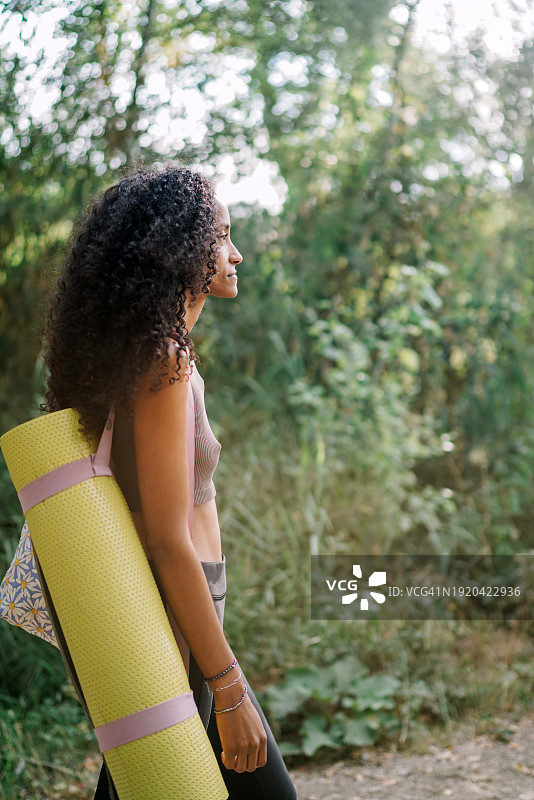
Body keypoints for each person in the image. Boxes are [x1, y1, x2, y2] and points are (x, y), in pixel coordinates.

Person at [41, 165, 297, 800]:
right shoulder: (165, 360)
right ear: (181, 249)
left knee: (143, 786)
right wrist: (229, 683)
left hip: (167, 611)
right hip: (173, 610)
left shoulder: (141, 353)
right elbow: (167, 535)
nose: (236, 255)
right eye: (223, 237)